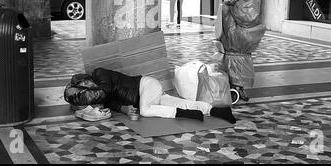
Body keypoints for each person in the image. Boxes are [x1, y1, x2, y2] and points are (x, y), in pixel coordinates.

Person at [78, 67, 237, 124]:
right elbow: (112, 102)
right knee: (180, 102)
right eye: (84, 88)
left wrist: (87, 97)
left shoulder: (99, 73)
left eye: (85, 84)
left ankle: (188, 115)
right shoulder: (101, 94)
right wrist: (124, 109)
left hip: (146, 85)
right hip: (149, 97)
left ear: (86, 78)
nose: (88, 87)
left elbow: (104, 89)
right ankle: (217, 111)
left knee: (145, 111)